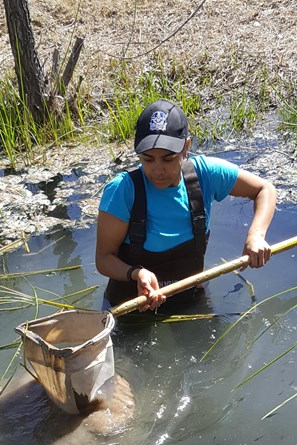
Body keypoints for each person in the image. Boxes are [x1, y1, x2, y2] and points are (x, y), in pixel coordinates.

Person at [96, 99, 277, 312]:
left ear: (186, 147)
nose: (157, 170)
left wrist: (255, 236)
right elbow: (103, 259)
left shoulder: (205, 175)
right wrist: (137, 274)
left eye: (168, 158)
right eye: (148, 159)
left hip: (189, 301)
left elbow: (264, 189)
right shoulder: (123, 190)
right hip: (131, 307)